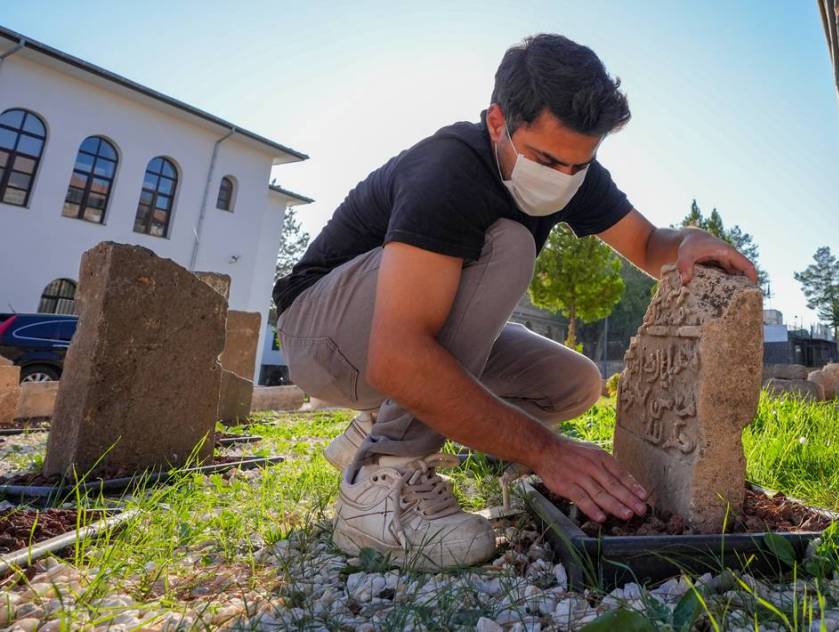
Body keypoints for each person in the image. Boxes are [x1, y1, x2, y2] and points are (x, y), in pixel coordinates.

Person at [272, 33, 757, 571]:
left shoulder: (572, 171)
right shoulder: (448, 170)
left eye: (581, 164)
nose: (564, 179)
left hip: (385, 339)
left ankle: (373, 430)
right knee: (508, 245)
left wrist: (686, 240)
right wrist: (547, 453)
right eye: (548, 159)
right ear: (499, 122)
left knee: (571, 382)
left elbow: (646, 244)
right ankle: (379, 484)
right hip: (321, 336)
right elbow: (397, 355)